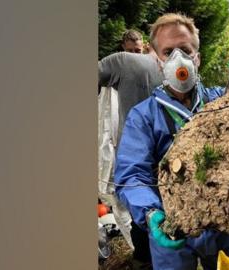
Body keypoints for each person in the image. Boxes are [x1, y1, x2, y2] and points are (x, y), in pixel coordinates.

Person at [114, 13, 229, 270]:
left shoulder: (223, 101)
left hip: (224, 221)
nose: (177, 59)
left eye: (185, 49)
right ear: (158, 62)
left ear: (197, 57)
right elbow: (131, 175)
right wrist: (151, 214)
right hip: (173, 224)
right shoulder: (145, 115)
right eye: (168, 51)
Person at [98, 30, 163, 269]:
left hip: (145, 148)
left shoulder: (122, 62)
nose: (135, 54)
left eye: (139, 49)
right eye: (132, 50)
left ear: (145, 45)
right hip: (147, 148)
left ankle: (147, 259)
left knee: (144, 207)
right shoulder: (121, 63)